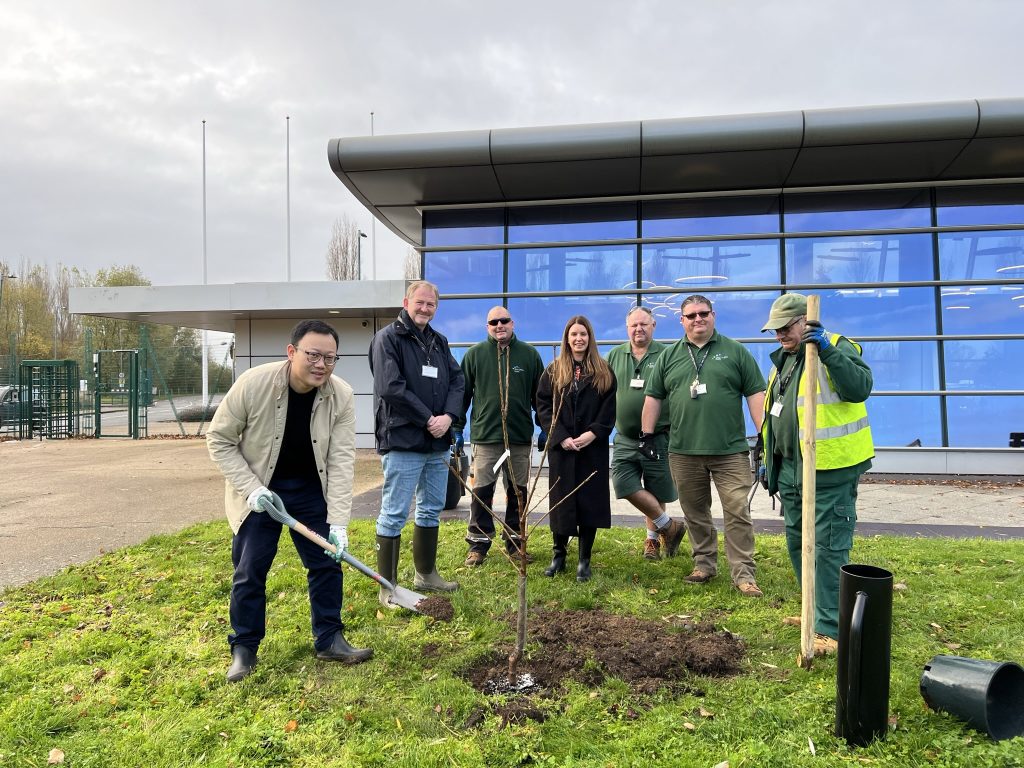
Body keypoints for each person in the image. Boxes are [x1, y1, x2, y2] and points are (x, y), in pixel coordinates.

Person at [208, 319, 372, 683]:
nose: (321, 365)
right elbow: (219, 439)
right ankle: (244, 649)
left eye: (330, 358)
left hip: (312, 490)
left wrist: (339, 523)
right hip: (260, 490)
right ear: (292, 352)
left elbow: (342, 461)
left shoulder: (341, 394)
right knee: (250, 570)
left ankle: (329, 638)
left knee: (327, 565)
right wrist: (251, 489)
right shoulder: (254, 384)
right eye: (313, 355)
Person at [759, 293, 874, 655]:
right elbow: (777, 414)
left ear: (804, 322)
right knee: (798, 543)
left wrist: (826, 350)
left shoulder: (834, 348)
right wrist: (769, 458)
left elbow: (859, 389)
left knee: (825, 547)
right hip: (793, 470)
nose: (779, 334)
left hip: (829, 468)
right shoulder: (785, 362)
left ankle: (832, 627)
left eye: (785, 327)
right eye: (774, 329)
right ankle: (813, 610)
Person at [641, 295, 766, 597]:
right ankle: (704, 564)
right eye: (691, 315)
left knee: (737, 510)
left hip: (730, 451)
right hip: (683, 450)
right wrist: (646, 436)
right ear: (681, 321)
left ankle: (743, 574)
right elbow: (653, 397)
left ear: (714, 315)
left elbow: (755, 393)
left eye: (703, 313)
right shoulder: (669, 357)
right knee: (696, 512)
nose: (698, 319)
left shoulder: (735, 352)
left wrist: (765, 434)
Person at [370, 280, 465, 606]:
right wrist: (429, 419)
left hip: (436, 444)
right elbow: (391, 388)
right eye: (420, 302)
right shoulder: (388, 339)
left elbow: (457, 380)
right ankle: (388, 586)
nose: (425, 309)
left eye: (431, 305)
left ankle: (425, 573)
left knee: (431, 508)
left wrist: (449, 417)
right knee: (394, 513)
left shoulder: (439, 342)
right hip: (403, 440)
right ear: (406, 301)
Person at [454, 306, 544, 566]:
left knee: (518, 492)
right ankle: (478, 544)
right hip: (486, 438)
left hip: (517, 439)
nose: (499, 325)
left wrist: (543, 425)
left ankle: (516, 543)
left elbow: (540, 396)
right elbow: (462, 395)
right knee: (482, 491)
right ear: (487, 327)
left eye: (504, 320)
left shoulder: (528, 356)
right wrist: (458, 427)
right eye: (493, 322)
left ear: (512, 323)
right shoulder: (475, 355)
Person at [536, 315, 616, 582]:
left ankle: (584, 559)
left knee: (589, 501)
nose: (579, 339)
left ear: (590, 337)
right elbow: (543, 407)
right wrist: (559, 436)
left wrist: (593, 433)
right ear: (567, 339)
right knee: (561, 501)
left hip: (591, 449)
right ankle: (558, 554)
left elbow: (608, 410)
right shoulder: (553, 371)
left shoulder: (603, 371)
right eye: (574, 334)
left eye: (583, 334)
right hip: (562, 449)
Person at [606, 306, 686, 561]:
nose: (638, 329)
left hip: (659, 436)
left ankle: (652, 542)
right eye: (633, 325)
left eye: (644, 324)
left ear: (653, 326)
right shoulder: (614, 355)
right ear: (627, 328)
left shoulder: (668, 354)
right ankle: (669, 526)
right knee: (622, 482)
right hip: (625, 437)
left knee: (657, 490)